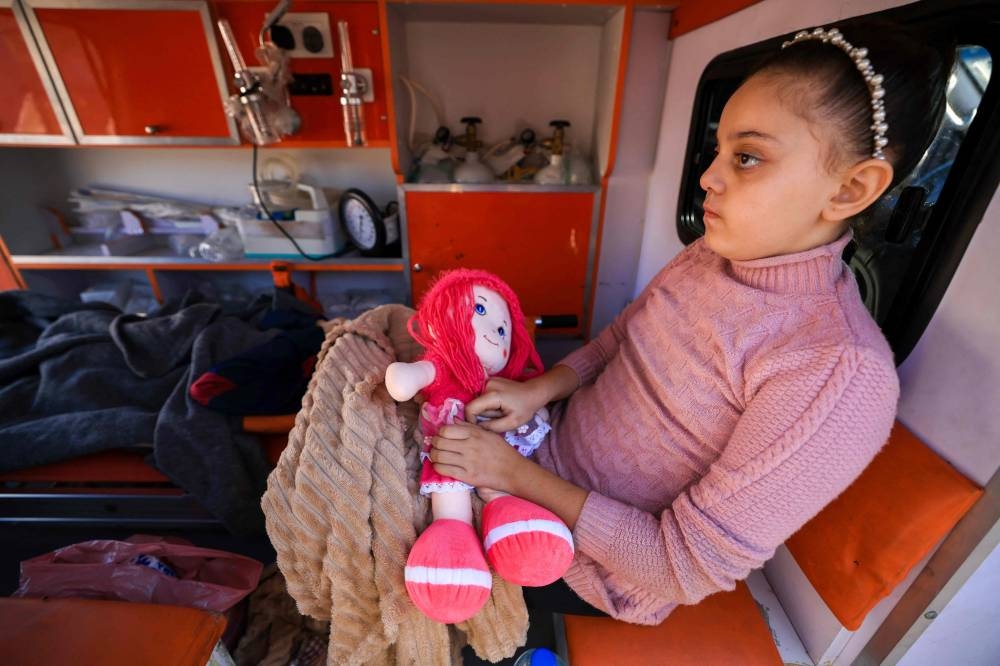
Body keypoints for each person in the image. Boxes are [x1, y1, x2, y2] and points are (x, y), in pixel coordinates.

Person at [425, 21, 954, 625]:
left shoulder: (837, 371)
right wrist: (537, 392)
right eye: (720, 149)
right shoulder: (714, 253)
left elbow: (682, 567)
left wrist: (511, 476)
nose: (710, 176)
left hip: (584, 565)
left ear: (851, 188)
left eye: (748, 158)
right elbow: (625, 335)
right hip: (536, 449)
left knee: (386, 549)